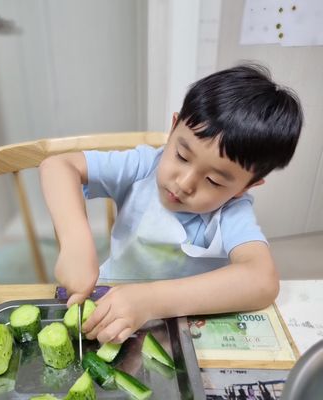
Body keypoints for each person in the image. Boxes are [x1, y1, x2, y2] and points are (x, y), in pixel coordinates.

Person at [40, 63, 303, 344]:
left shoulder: (231, 212)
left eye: (213, 181)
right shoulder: (143, 166)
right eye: (182, 156)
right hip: (110, 298)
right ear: (173, 127)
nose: (185, 183)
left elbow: (262, 281)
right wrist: (75, 242)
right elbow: (57, 166)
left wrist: (150, 301)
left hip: (180, 322)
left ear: (245, 187)